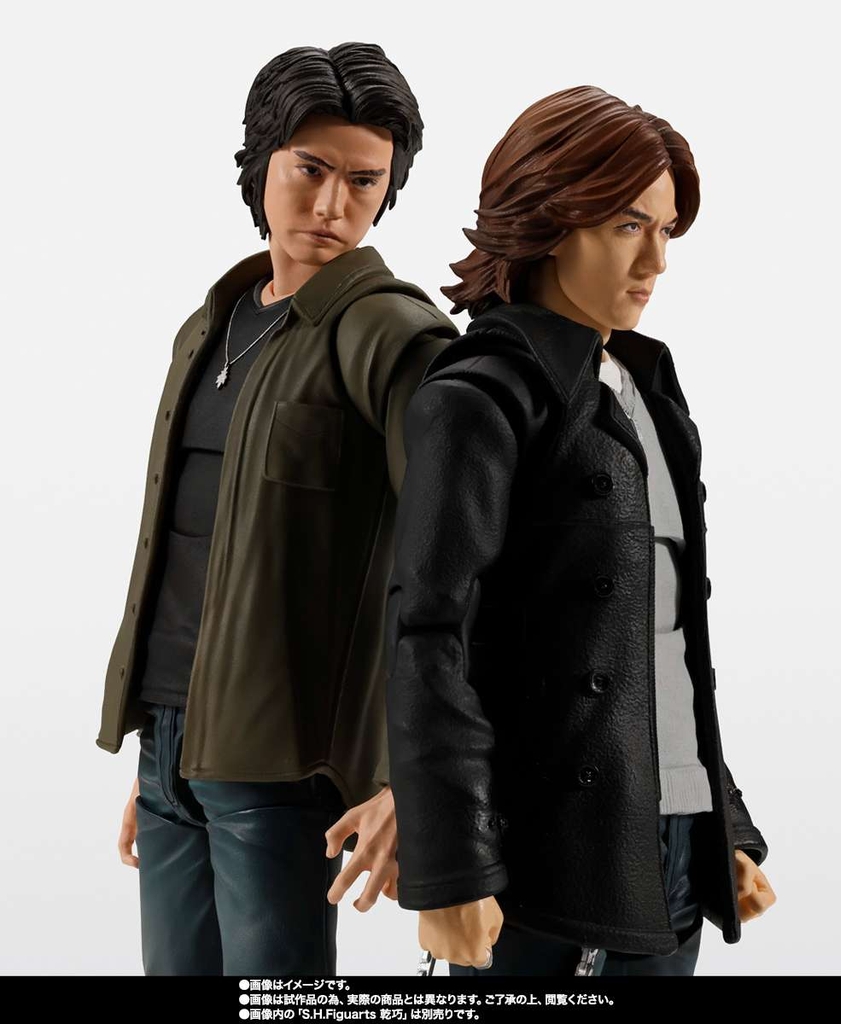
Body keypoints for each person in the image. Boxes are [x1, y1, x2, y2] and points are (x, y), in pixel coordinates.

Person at [385, 85, 776, 977]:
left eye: (665, 230)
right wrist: (452, 870)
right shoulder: (481, 397)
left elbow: (667, 643)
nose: (657, 261)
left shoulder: (647, 394)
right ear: (550, 221)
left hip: (673, 844)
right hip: (543, 860)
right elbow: (429, 638)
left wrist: (721, 822)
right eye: (628, 226)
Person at [97, 43, 456, 976]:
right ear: (261, 166)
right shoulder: (212, 324)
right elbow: (186, 541)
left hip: (284, 761)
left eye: (364, 181)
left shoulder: (392, 334)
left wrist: (410, 776)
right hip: (174, 741)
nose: (334, 204)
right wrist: (162, 755)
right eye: (311, 170)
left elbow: (454, 560)